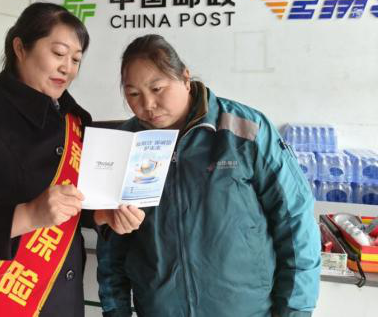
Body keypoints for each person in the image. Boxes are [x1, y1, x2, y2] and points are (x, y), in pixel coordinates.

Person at [0, 2, 145, 317]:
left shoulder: (75, 120)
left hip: (62, 300)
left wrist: (102, 214)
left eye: (76, 59)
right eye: (59, 53)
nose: (67, 68)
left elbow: (73, 205)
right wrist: (27, 215)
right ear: (20, 48)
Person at [97, 34, 321, 317]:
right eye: (133, 94)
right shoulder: (127, 144)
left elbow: (295, 220)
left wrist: (295, 310)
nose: (148, 104)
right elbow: (111, 247)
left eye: (157, 88)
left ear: (185, 77)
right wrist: (114, 310)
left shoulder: (245, 131)